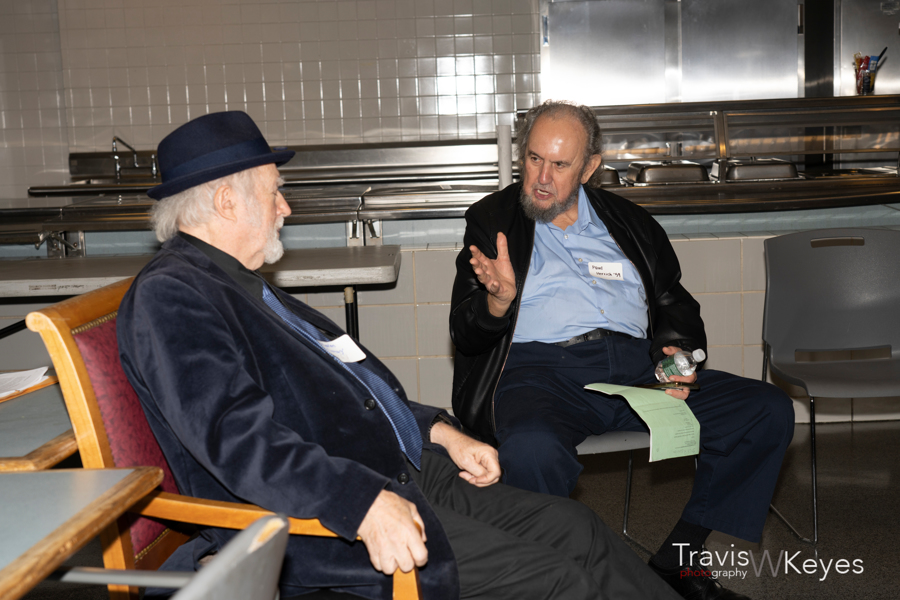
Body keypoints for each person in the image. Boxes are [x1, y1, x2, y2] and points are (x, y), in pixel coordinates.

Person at [117, 110, 681, 600]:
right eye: (274, 192)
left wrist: (440, 431)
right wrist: (360, 502)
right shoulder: (174, 295)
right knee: (556, 580)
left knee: (578, 529)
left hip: (401, 467)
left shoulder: (236, 282)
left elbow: (353, 384)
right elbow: (239, 440)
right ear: (225, 202)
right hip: (332, 516)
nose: (285, 207)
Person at [449, 100, 795, 600]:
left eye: (560, 164)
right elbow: (466, 332)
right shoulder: (491, 220)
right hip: (541, 373)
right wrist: (498, 302)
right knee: (530, 449)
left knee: (764, 410)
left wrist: (676, 353)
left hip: (637, 371)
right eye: (534, 158)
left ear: (590, 166)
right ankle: (551, 580)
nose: (541, 178)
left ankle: (678, 561)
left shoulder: (629, 221)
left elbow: (673, 301)